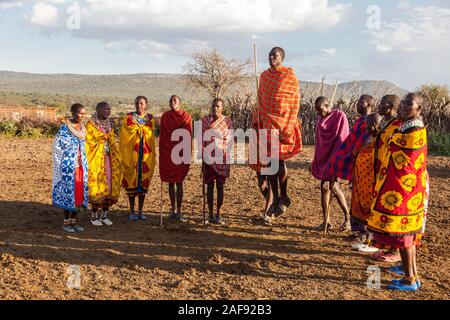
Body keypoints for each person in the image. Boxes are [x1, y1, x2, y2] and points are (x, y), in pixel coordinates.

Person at [367, 93, 429, 291]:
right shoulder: (406, 126)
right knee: (407, 237)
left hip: (405, 191)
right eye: (402, 103)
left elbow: (404, 158)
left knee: (405, 238)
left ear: (418, 109)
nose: (403, 106)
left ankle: (410, 280)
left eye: (409, 104)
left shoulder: (415, 130)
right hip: (406, 190)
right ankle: (410, 273)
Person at [252, 47, 302, 224]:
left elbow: (294, 102)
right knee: (269, 164)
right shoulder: (264, 77)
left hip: (283, 123)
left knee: (278, 162)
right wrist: (259, 117)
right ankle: (275, 198)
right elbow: (262, 99)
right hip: (267, 123)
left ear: (282, 58)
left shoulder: (289, 77)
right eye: (270, 55)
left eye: (276, 55)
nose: (272, 57)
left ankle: (284, 196)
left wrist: (287, 123)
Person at [370, 95, 403, 262]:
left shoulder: (398, 125)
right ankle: (386, 247)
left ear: (391, 107)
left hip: (393, 173)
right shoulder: (386, 123)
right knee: (383, 210)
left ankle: (396, 250)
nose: (379, 106)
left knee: (392, 210)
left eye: (383, 104)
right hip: (381, 170)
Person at [311, 96, 350, 232]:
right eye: (316, 111)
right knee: (324, 186)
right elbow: (320, 143)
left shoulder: (340, 116)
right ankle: (326, 221)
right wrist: (316, 159)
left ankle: (347, 218)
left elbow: (343, 138)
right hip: (324, 158)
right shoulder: (320, 118)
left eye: (320, 110)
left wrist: (337, 159)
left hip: (335, 156)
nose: (318, 113)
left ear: (328, 105)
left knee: (334, 187)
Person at [52, 103, 89, 233]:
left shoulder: (82, 128)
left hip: (81, 168)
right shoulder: (64, 129)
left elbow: (85, 146)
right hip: (68, 167)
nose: (82, 116)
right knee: (69, 195)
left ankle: (74, 221)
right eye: (80, 113)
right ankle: (66, 222)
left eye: (84, 114)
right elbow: (57, 147)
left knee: (79, 195)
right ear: (73, 113)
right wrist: (70, 155)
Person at [119, 96, 156, 221]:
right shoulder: (128, 118)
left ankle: (140, 211)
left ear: (146, 104)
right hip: (131, 155)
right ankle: (131, 212)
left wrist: (143, 133)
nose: (138, 105)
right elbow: (124, 136)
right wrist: (137, 132)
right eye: (137, 103)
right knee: (131, 181)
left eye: (141, 103)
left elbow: (151, 137)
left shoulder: (150, 119)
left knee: (142, 183)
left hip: (145, 155)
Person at [349, 113, 382, 253]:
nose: (366, 126)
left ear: (377, 124)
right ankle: (367, 239)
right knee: (365, 211)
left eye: (369, 124)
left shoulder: (379, 140)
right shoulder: (370, 138)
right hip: (362, 181)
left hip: (372, 182)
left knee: (372, 211)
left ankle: (373, 242)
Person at [85, 102, 122, 226]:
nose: (108, 111)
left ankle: (105, 215)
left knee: (110, 187)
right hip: (96, 160)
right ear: (98, 109)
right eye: (106, 109)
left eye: (109, 109)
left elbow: (113, 141)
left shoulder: (110, 124)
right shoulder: (91, 125)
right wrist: (101, 140)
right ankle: (94, 216)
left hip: (110, 160)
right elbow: (88, 142)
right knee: (98, 187)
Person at [159, 95, 193, 222]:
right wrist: (164, 151)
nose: (172, 103)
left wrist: (186, 153)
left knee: (179, 182)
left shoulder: (186, 117)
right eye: (170, 101)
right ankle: (172, 209)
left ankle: (179, 210)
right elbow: (163, 137)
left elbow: (188, 135)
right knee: (170, 182)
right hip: (168, 152)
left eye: (175, 101)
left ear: (180, 103)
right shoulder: (165, 117)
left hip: (181, 153)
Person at [200, 98, 233, 225]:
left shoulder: (227, 121)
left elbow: (229, 141)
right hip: (208, 156)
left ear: (222, 108)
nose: (215, 108)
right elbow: (202, 139)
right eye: (213, 106)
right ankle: (210, 214)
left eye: (218, 106)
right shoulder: (205, 120)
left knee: (220, 186)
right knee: (209, 186)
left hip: (222, 157)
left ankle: (219, 214)